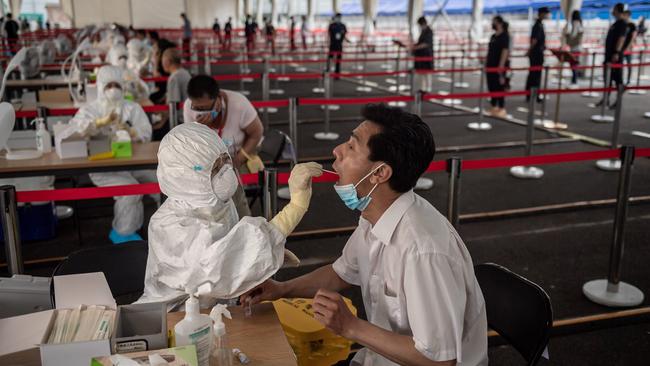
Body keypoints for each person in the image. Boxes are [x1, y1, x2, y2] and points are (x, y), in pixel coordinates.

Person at [241, 104, 488, 366]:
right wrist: (281, 289)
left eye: (351, 146)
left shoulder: (422, 250)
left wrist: (350, 327)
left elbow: (439, 361)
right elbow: (341, 272)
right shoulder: (374, 218)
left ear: (380, 173)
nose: (337, 151)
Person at [139, 122, 322, 307]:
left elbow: (233, 247)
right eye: (215, 168)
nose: (226, 172)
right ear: (187, 177)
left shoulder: (215, 201)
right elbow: (216, 268)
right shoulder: (169, 226)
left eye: (225, 160)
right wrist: (295, 207)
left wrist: (258, 258)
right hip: (175, 316)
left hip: (218, 307)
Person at [60, 66, 157, 244]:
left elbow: (146, 132)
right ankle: (123, 233)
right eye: (109, 85)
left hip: (133, 164)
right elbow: (75, 129)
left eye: (117, 85)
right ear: (100, 87)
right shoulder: (90, 110)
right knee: (130, 190)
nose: (113, 89)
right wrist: (98, 123)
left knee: (161, 180)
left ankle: (162, 227)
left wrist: (132, 131)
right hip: (103, 169)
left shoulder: (132, 108)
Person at [183, 75, 264, 218]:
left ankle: (241, 222)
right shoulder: (189, 107)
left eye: (205, 108)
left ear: (218, 99)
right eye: (197, 108)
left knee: (229, 182)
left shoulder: (239, 104)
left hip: (240, 153)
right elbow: (192, 143)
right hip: (209, 156)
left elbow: (256, 133)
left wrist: (238, 160)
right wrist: (202, 129)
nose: (200, 112)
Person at [598, 3, 628, 109]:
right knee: (608, 79)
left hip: (615, 56)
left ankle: (618, 101)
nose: (612, 11)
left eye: (614, 9)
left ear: (617, 10)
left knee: (617, 79)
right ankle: (606, 99)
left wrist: (616, 52)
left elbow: (621, 38)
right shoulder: (616, 23)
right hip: (609, 55)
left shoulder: (622, 24)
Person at [485, 16, 511, 118]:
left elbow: (505, 51)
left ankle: (501, 107)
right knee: (491, 85)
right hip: (490, 65)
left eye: (494, 22)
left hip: (499, 66)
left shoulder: (505, 36)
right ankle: (493, 105)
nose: (492, 24)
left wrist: (501, 66)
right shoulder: (493, 36)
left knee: (499, 86)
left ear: (499, 23)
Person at [525, 7, 550, 102]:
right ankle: (534, 95)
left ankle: (531, 95)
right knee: (535, 75)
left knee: (533, 74)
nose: (548, 15)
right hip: (536, 54)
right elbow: (534, 40)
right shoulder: (537, 25)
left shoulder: (539, 25)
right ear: (542, 14)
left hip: (537, 53)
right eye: (546, 13)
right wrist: (529, 50)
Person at [411, 16, 434, 92]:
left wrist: (416, 47)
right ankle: (423, 88)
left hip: (426, 55)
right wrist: (415, 46)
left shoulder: (429, 31)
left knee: (427, 73)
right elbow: (421, 42)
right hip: (421, 55)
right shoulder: (423, 31)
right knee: (422, 72)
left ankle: (428, 88)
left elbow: (426, 44)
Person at [564, 10, 583, 86]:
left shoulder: (575, 23)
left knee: (573, 65)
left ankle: (574, 81)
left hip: (574, 48)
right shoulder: (580, 23)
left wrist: (567, 35)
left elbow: (573, 35)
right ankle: (574, 80)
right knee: (575, 64)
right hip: (578, 48)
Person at [622, 10, 637, 85]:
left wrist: (628, 47)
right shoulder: (622, 24)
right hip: (621, 48)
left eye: (625, 15)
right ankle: (620, 80)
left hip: (628, 48)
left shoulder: (632, 25)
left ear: (628, 15)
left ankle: (628, 80)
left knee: (629, 64)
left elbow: (633, 37)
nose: (623, 16)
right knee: (620, 64)